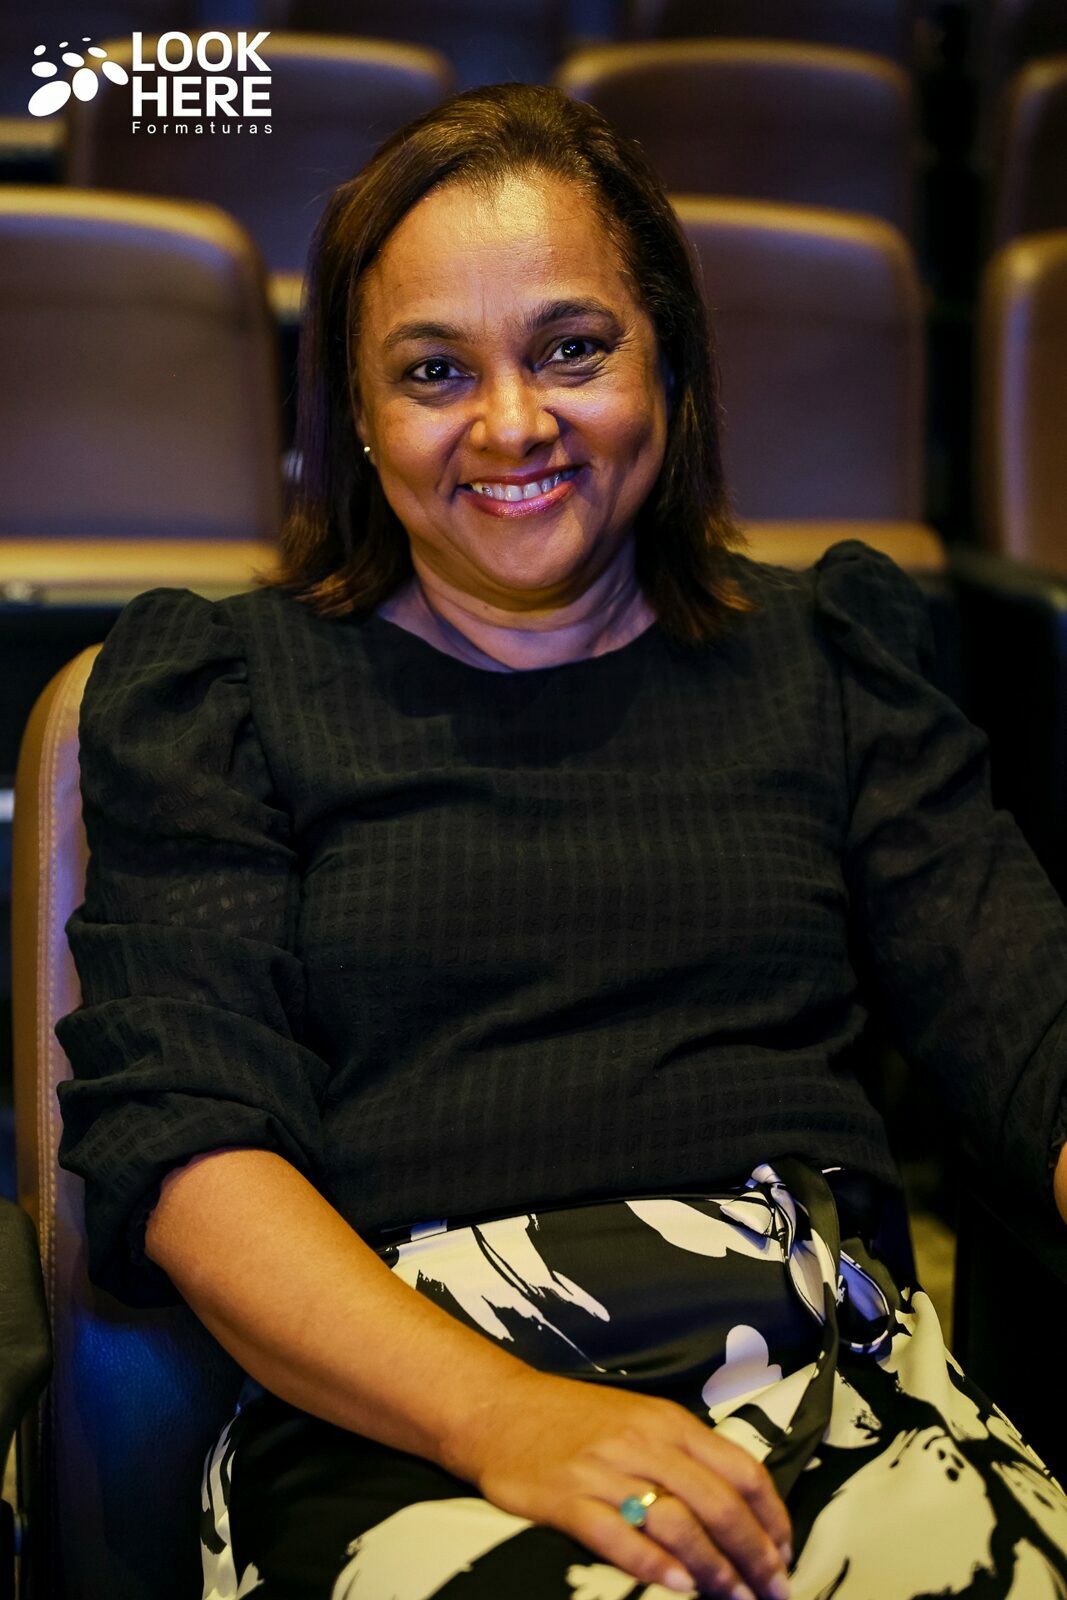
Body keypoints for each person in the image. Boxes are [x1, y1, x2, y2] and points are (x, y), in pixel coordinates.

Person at [55, 83, 1067, 1600]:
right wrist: (501, 1415)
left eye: (573, 348)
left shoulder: (836, 660)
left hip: (830, 1392)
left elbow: (1032, 1036)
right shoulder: (221, 695)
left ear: (671, 360)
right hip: (402, 1405)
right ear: (355, 413)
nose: (513, 423)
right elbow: (190, 1149)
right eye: (433, 371)